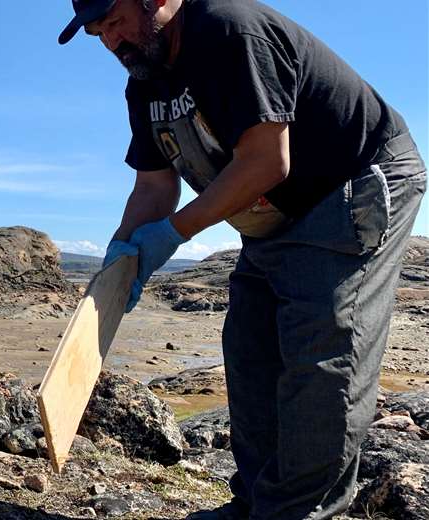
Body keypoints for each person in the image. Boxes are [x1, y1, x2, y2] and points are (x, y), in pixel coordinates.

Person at [59, 0, 426, 518]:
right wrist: (122, 255)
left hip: (353, 180)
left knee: (322, 351)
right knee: (249, 344)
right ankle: (256, 502)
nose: (110, 42)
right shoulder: (144, 81)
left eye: (115, 21)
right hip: (271, 208)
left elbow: (266, 160)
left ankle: (298, 511)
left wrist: (175, 233)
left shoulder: (231, 31)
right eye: (99, 32)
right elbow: (153, 184)